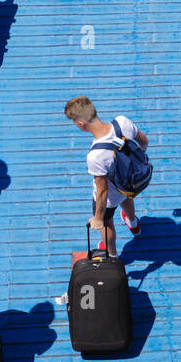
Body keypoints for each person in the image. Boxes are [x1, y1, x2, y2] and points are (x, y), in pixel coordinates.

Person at [64, 97, 149, 256]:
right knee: (126, 198)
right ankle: (133, 223)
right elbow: (144, 141)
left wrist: (97, 218)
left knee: (106, 223)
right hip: (130, 183)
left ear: (81, 124)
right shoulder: (122, 122)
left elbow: (102, 191)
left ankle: (112, 255)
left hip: (111, 195)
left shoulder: (95, 155)